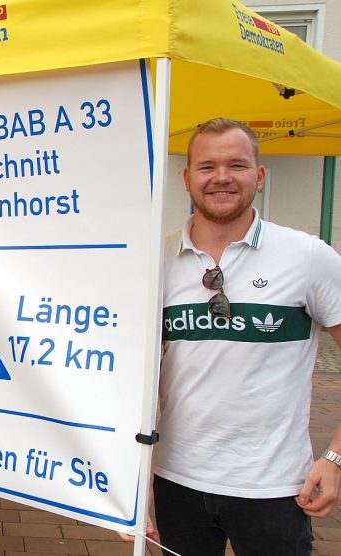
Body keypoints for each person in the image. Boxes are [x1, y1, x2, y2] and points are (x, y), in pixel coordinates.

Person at [145, 117, 341, 555]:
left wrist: (335, 459)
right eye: (206, 166)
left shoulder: (307, 256)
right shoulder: (158, 260)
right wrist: (131, 475)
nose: (221, 178)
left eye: (237, 165)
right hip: (178, 480)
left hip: (274, 486)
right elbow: (134, 375)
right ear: (187, 178)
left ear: (260, 175)